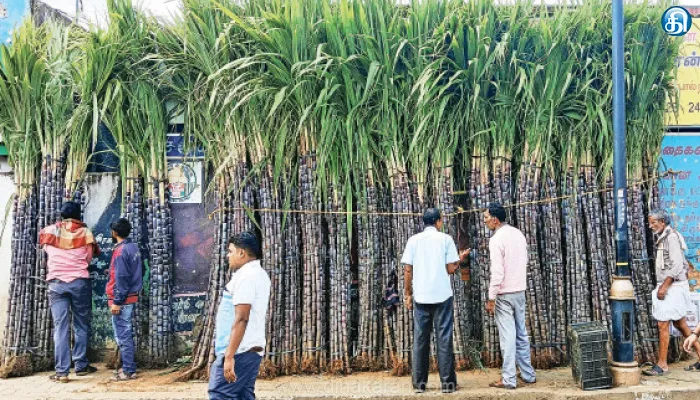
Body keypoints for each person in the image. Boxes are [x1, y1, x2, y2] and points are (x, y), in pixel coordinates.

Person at [401, 208, 469, 394]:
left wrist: (408, 293)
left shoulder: (413, 241)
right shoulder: (445, 239)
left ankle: (419, 384)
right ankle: (447, 384)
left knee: (421, 339)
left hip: (421, 296)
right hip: (442, 296)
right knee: (444, 339)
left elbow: (408, 269)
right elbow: (449, 269)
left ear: (425, 222)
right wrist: (459, 260)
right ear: (439, 221)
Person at [40, 201, 100, 383]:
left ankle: (62, 372)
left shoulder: (49, 232)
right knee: (81, 324)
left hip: (56, 284)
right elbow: (88, 258)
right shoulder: (85, 233)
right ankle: (81, 365)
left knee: (60, 327)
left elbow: (46, 251)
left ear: (62, 215)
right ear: (78, 215)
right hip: (79, 282)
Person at [209, 232, 271, 400]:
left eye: (231, 251)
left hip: (239, 352)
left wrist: (229, 356)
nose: (228, 256)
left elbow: (242, 318)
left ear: (242, 253)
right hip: (247, 351)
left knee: (220, 395)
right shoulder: (257, 274)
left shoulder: (247, 277)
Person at [483, 202, 536, 390]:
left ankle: (509, 379)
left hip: (504, 294)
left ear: (495, 220)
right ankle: (528, 375)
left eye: (487, 218)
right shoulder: (518, 234)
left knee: (508, 337)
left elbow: (497, 272)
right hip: (520, 290)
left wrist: (491, 297)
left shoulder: (497, 240)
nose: (485, 221)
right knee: (521, 333)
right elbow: (524, 261)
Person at [643, 209, 700, 376]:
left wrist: (664, 287)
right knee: (680, 324)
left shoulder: (671, 237)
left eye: (654, 222)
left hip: (672, 287)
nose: (651, 226)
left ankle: (662, 365)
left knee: (663, 324)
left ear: (662, 222)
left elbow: (676, 266)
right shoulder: (664, 237)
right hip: (672, 286)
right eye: (650, 222)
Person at [106, 218, 143, 381]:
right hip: (130, 296)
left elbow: (121, 277)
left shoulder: (120, 252)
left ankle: (128, 370)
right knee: (125, 332)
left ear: (114, 233)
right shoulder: (133, 247)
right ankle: (127, 367)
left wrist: (117, 301)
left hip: (122, 299)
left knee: (123, 334)